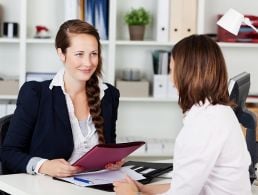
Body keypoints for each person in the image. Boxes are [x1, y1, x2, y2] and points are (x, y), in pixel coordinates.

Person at [113, 35, 252, 195]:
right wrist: (144, 189)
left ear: (186, 73)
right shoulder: (219, 112)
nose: (171, 80)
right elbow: (186, 184)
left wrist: (130, 194)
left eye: (172, 70)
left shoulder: (204, 124)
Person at [1, 19, 121, 177]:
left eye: (94, 54)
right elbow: (7, 152)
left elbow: (108, 147)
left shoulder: (109, 94)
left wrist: (113, 161)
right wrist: (43, 166)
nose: (88, 63)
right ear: (61, 54)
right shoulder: (35, 94)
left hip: (93, 185)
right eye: (79, 54)